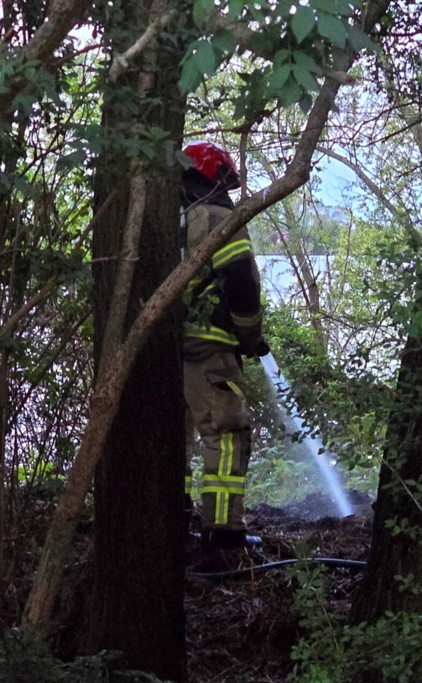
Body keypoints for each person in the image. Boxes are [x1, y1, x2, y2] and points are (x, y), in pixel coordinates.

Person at [180, 140, 269, 555]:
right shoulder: (219, 216)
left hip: (169, 348)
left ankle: (173, 521)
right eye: (226, 181)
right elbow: (240, 282)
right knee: (227, 434)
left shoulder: (167, 219)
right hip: (212, 349)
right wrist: (250, 335)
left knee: (175, 436)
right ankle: (224, 538)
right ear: (213, 175)